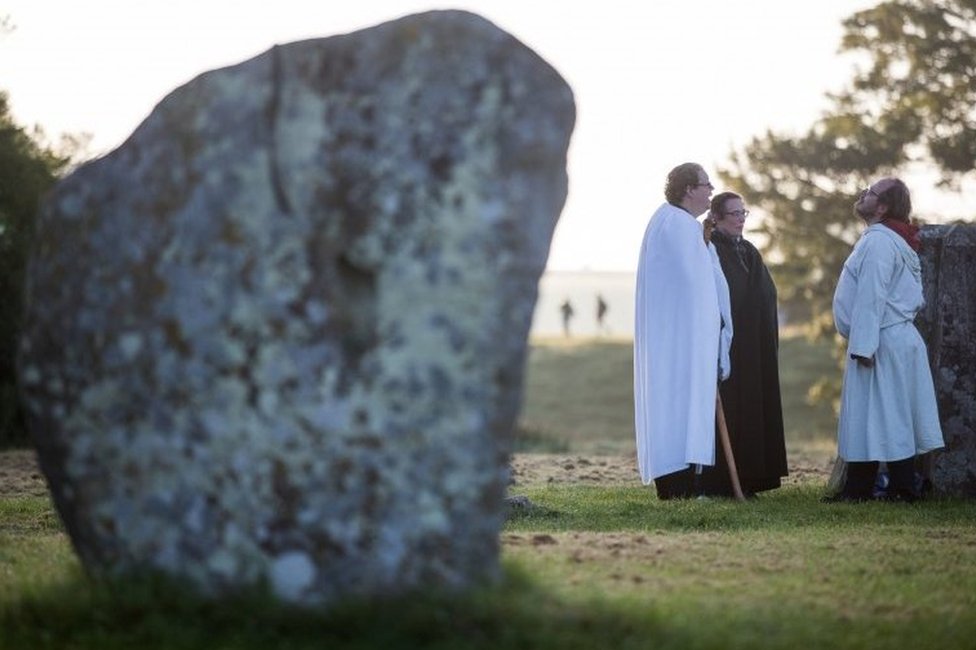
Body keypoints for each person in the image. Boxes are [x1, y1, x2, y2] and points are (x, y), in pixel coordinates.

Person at [826, 177, 944, 502]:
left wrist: (863, 345)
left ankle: (899, 489)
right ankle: (863, 487)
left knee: (887, 413)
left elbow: (871, 295)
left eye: (871, 193)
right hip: (892, 336)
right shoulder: (890, 239)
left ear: (883, 206)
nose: (863, 194)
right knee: (880, 413)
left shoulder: (879, 241)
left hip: (881, 338)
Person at [634, 162, 733, 499]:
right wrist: (713, 333)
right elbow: (698, 288)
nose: (711, 191)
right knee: (677, 408)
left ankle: (683, 485)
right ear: (689, 189)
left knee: (677, 408)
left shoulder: (673, 222)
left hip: (675, 337)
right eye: (707, 184)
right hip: (681, 340)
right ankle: (678, 488)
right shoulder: (677, 225)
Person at [698, 192, 788, 497]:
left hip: (754, 348)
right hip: (729, 347)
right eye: (733, 214)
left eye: (743, 213)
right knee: (730, 412)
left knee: (753, 409)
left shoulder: (748, 251)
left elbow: (764, 294)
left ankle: (752, 478)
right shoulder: (710, 251)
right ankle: (722, 482)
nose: (740, 219)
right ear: (717, 217)